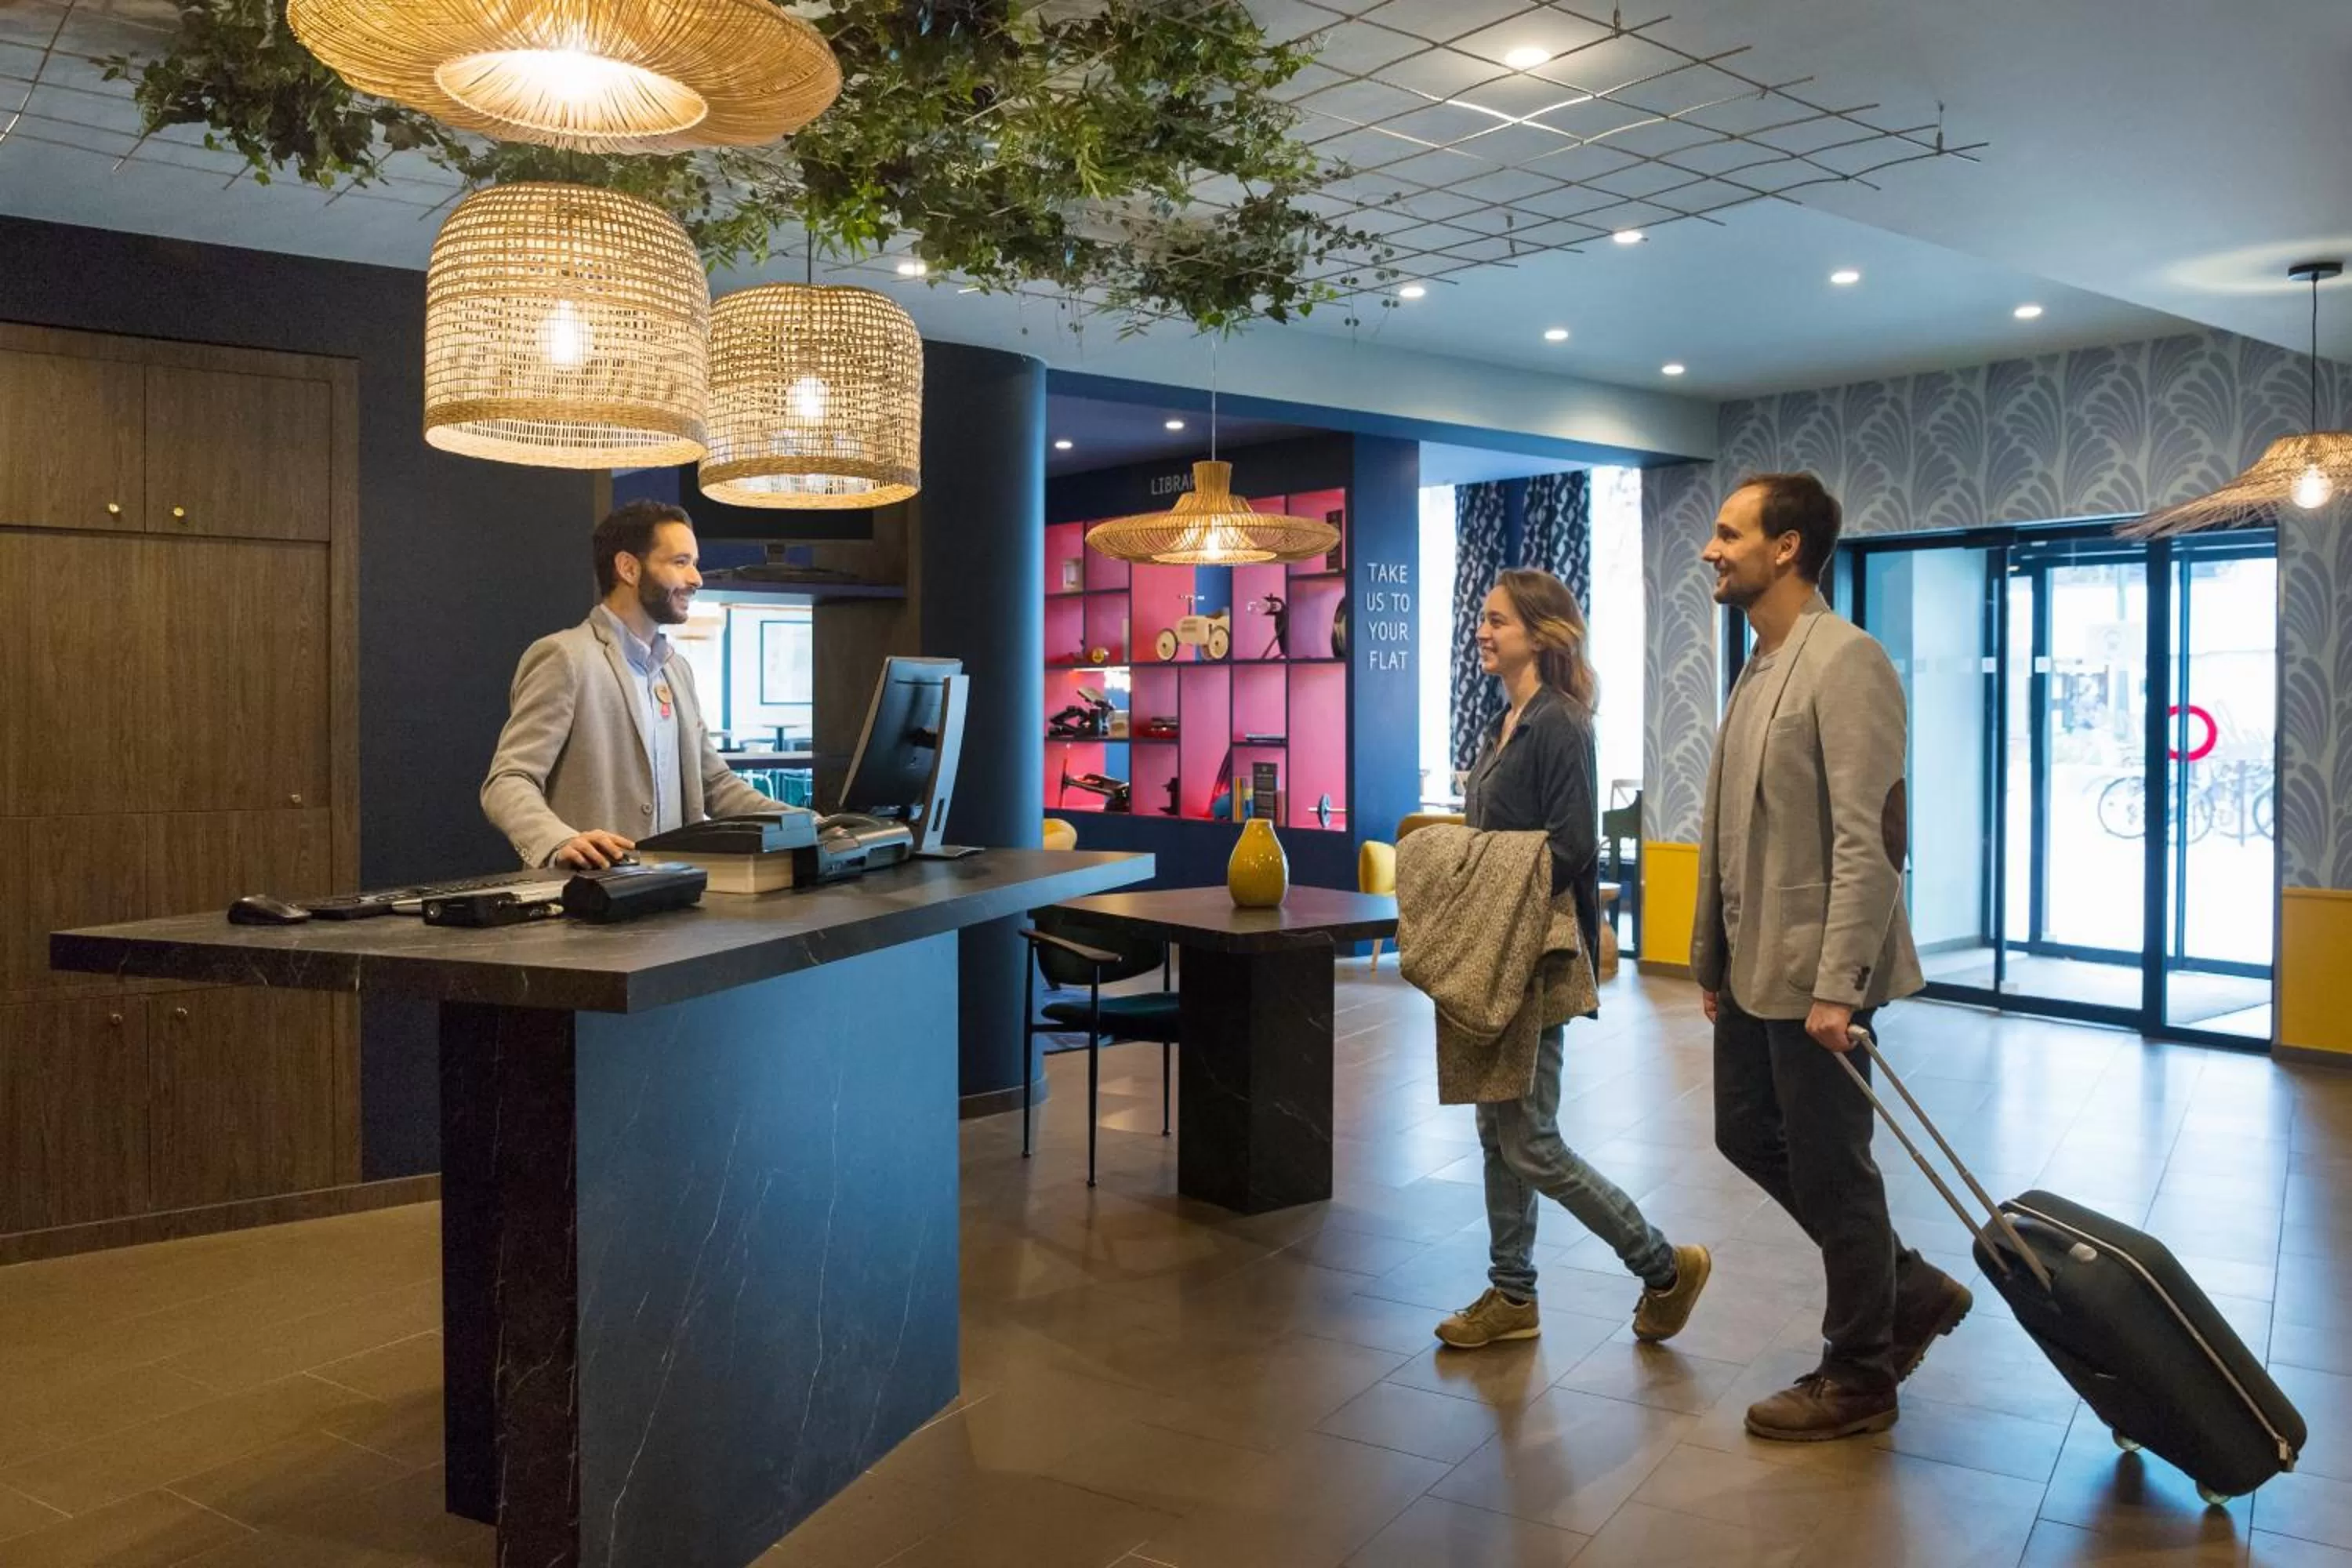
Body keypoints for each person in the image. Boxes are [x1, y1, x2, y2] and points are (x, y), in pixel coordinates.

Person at [1693, 472, 1972, 1442]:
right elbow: (1732, 828)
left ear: (1786, 547)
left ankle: (1860, 1371)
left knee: (1833, 1168)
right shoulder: (1758, 664)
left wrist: (1841, 987)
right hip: (1753, 968)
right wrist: (1712, 958)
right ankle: (1906, 1284)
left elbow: (1873, 838)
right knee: (1745, 1131)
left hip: (1819, 976)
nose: (1711, 549)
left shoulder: (1848, 660)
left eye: (1729, 533)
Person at [1436, 568, 1712, 1351]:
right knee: (1497, 1133)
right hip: (1495, 951)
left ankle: (1664, 1266)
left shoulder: (1560, 723)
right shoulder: (1509, 719)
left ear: (1540, 632)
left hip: (1531, 954)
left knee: (1530, 1140)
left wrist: (1493, 892)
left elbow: (1574, 844)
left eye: (1497, 620)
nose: (1482, 631)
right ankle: (1512, 1293)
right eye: (1483, 619)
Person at [481, 499, 805, 869]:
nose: (696, 579)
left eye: (694, 564)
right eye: (680, 562)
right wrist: (558, 840)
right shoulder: (564, 657)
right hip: (585, 894)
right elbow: (508, 781)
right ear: (629, 568)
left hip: (672, 894)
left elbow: (716, 784)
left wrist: (808, 825)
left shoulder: (677, 670)